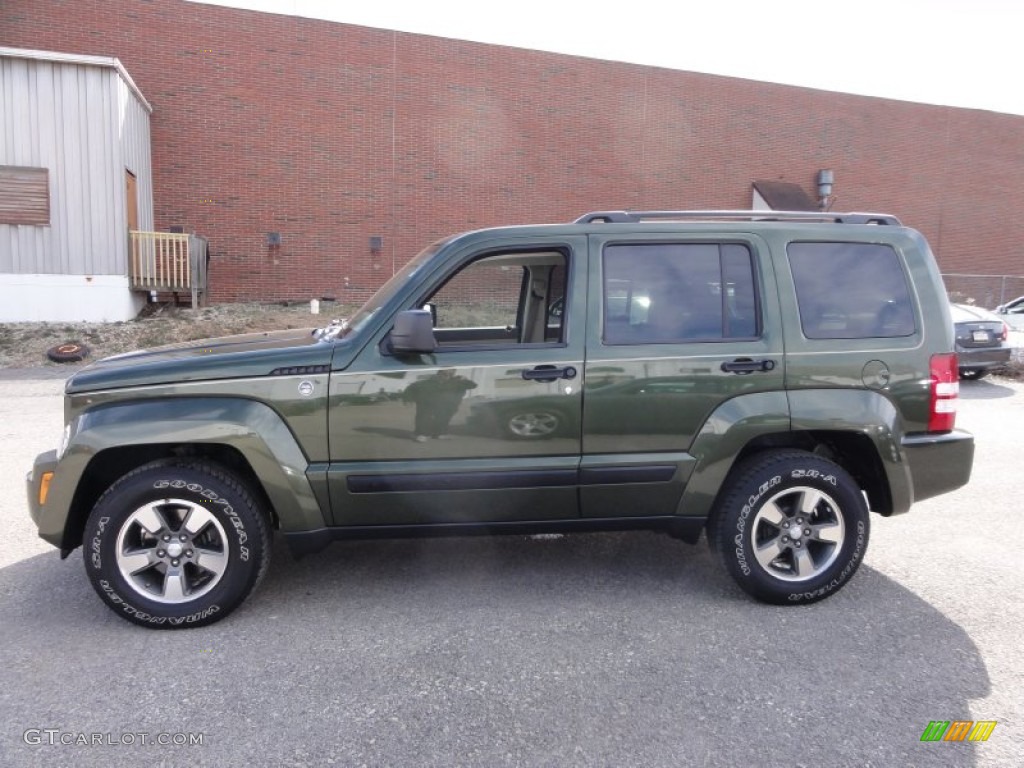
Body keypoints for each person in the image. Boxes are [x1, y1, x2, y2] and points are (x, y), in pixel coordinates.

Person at [401, 369, 477, 441]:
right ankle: (421, 434)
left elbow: (473, 385)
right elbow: (411, 388)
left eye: (450, 374)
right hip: (427, 404)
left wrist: (465, 379)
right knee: (424, 418)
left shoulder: (457, 382)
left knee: (443, 419)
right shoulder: (427, 382)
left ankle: (439, 433)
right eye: (444, 373)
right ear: (439, 373)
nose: (447, 376)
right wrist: (408, 400)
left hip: (447, 406)